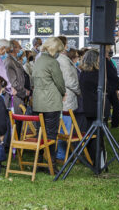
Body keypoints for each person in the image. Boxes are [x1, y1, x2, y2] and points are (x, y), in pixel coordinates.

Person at [32, 37, 66, 166]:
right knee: (51, 134)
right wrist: (63, 92)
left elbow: (33, 80)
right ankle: (51, 162)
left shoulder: (38, 60)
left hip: (38, 101)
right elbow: (60, 82)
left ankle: (39, 160)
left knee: (40, 132)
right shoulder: (52, 62)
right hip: (51, 102)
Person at [56, 44, 81, 161]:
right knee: (65, 128)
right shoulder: (64, 61)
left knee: (65, 127)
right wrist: (79, 91)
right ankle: (62, 154)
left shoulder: (62, 60)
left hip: (66, 97)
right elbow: (69, 80)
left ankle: (64, 153)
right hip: (67, 97)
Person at [78, 49, 101, 159]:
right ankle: (95, 158)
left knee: (89, 132)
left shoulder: (83, 73)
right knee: (96, 134)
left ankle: (88, 155)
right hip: (95, 106)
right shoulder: (96, 74)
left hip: (85, 106)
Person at [4, 40, 29, 112]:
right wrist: (24, 92)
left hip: (18, 97)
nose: (20, 49)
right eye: (18, 47)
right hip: (14, 98)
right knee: (16, 122)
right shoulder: (9, 62)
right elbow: (13, 83)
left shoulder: (14, 61)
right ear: (13, 49)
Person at [105, 45, 119, 128]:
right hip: (109, 87)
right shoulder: (106, 61)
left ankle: (115, 124)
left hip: (112, 87)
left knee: (115, 104)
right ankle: (111, 124)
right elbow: (111, 74)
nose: (110, 52)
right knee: (110, 105)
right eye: (109, 51)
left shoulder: (109, 61)